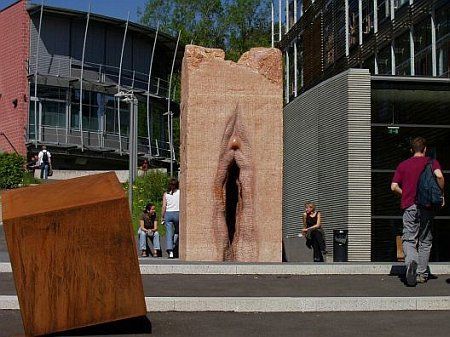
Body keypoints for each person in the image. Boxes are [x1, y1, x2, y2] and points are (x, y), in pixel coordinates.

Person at [391, 137, 445, 286]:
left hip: (409, 206)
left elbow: (393, 186)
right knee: (425, 240)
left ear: (411, 150)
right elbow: (439, 176)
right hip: (426, 206)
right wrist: (440, 194)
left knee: (408, 238)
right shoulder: (432, 162)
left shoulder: (403, 165)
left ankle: (411, 262)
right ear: (425, 149)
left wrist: (406, 193)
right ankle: (421, 274)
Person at [162, 178, 180, 259]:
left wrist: (162, 216)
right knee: (177, 231)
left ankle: (170, 251)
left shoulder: (166, 194)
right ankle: (174, 244)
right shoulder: (180, 192)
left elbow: (164, 206)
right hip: (177, 213)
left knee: (169, 233)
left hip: (168, 214)